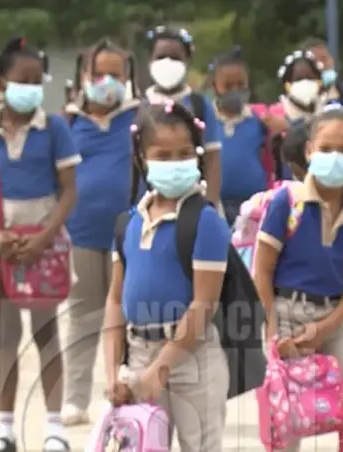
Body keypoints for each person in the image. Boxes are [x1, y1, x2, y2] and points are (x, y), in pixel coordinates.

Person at [0, 37, 78, 452]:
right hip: (1, 239)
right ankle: (5, 427)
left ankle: (54, 427)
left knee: (46, 333)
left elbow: (69, 191)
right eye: (21, 80)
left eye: (36, 81)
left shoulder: (55, 129)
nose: (30, 88)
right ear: (0, 81)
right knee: (6, 335)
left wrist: (45, 237)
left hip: (43, 235)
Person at [252, 107, 343, 451]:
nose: (334, 157)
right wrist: (272, 331)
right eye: (326, 149)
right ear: (309, 151)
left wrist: (325, 328)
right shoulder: (287, 202)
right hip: (283, 316)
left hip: (333, 322)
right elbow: (262, 270)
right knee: (286, 422)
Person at [103, 100, 230, 452]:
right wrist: (113, 373)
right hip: (139, 353)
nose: (175, 163)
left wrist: (161, 368)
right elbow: (115, 299)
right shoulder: (128, 223)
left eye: (184, 154)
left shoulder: (205, 222)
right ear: (142, 158)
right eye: (163, 155)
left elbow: (203, 304)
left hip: (193, 359)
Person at [59, 38, 143, 426]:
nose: (106, 82)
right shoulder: (68, 123)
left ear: (127, 77)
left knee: (131, 318)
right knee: (83, 315)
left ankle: (127, 391)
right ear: (84, 76)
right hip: (80, 234)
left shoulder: (140, 119)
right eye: (99, 74)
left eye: (115, 74)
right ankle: (75, 399)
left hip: (130, 236)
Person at [144, 25, 222, 205]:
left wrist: (210, 203)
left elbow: (212, 159)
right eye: (160, 57)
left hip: (193, 203)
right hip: (150, 204)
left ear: (187, 61)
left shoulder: (200, 105)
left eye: (175, 57)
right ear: (150, 60)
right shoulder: (140, 107)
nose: (167, 62)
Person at [208, 47, 273, 224]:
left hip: (255, 206)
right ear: (214, 87)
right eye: (228, 86)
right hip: (217, 206)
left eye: (241, 84)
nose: (235, 90)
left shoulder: (259, 119)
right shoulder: (206, 119)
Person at [301, 37, 343, 106]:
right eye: (314, 61)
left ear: (332, 60)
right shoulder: (298, 96)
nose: (320, 65)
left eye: (324, 59)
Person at [276, 49, 329, 126]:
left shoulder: (329, 111)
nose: (305, 82)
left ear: (319, 81)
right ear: (287, 85)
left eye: (309, 78)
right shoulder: (276, 116)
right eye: (298, 79)